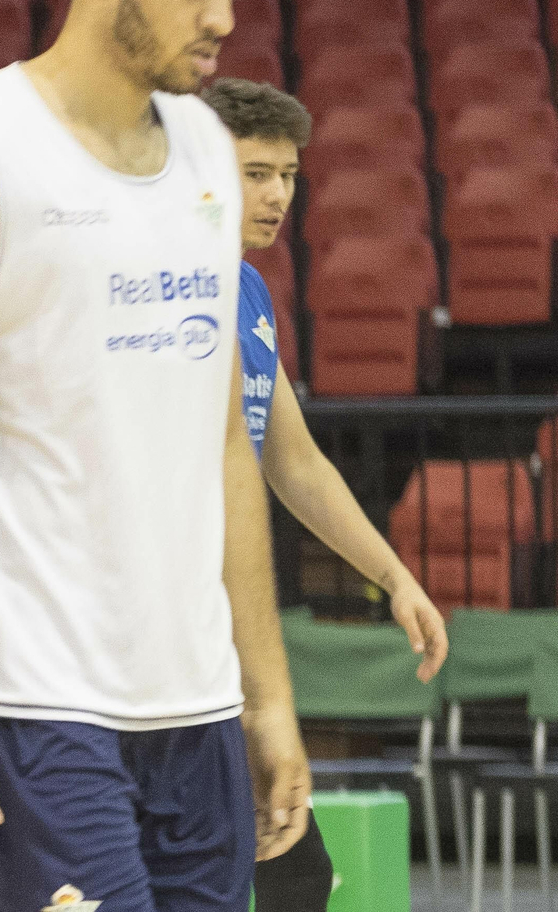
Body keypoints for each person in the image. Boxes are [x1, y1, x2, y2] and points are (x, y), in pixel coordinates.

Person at [0, 0, 312, 909]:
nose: (220, 20)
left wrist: (264, 694)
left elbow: (223, 445)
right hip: (38, 703)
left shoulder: (210, 152)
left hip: (197, 703)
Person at [201, 76, 450, 911]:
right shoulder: (155, 295)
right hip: (153, 650)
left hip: (217, 643)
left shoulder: (250, 292)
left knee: (287, 871)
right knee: (268, 871)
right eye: (255, 173)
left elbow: (296, 462)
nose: (277, 195)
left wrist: (395, 576)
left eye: (288, 176)